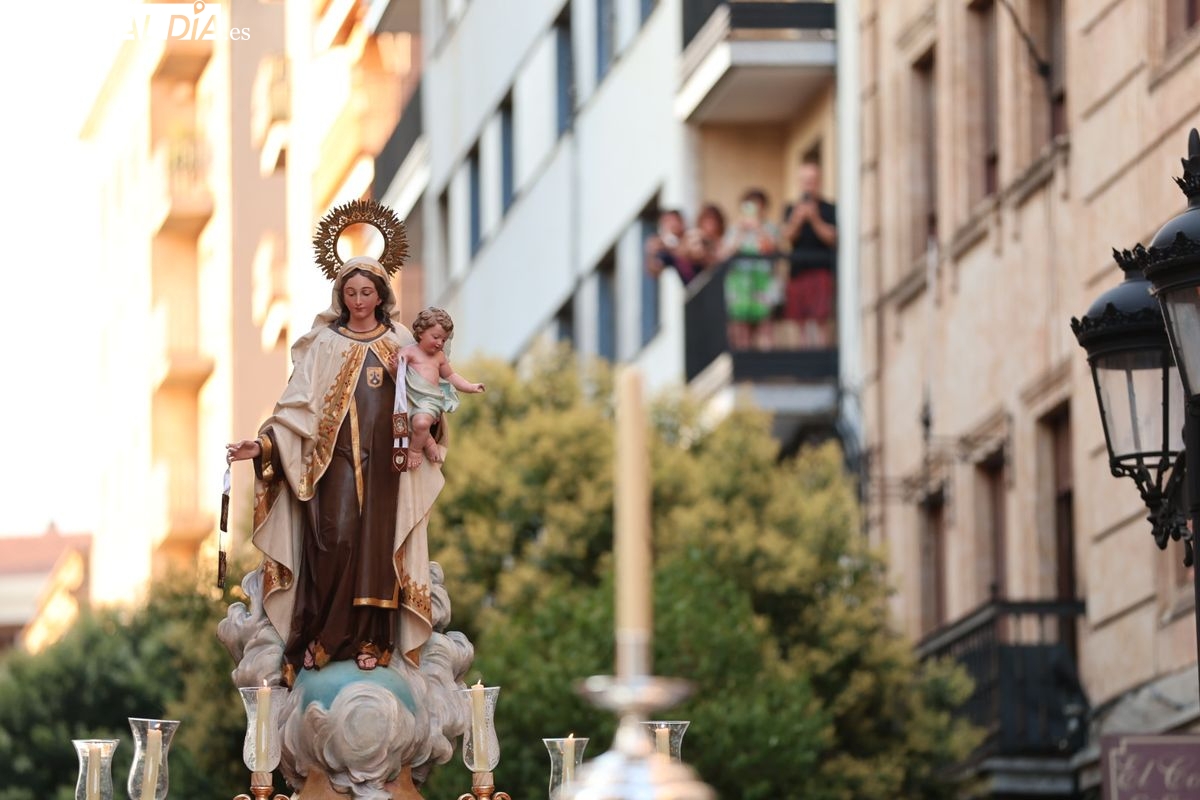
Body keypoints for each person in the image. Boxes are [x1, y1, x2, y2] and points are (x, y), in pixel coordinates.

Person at [226, 254, 441, 687]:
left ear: (381, 295)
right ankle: (326, 635)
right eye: (350, 292)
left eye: (367, 292)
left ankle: (372, 642)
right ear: (340, 297)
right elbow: (295, 409)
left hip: (387, 464)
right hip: (332, 460)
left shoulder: (400, 340)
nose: (359, 300)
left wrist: (427, 426)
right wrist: (263, 445)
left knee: (380, 548)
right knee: (336, 537)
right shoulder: (324, 343)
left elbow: (429, 396)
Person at [390, 307, 485, 471]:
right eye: (436, 337)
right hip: (409, 398)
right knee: (403, 421)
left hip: (429, 400)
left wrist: (470, 387)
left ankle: (414, 450)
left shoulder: (439, 357)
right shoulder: (409, 352)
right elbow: (398, 374)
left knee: (420, 422)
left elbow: (452, 377)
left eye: (444, 339)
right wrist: (395, 368)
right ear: (421, 333)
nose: (440, 343)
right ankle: (428, 441)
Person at [782, 158, 837, 347]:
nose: (809, 185)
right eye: (805, 181)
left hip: (821, 271)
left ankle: (821, 354)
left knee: (821, 319)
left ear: (819, 181)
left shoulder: (829, 209)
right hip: (798, 272)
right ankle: (804, 358)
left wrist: (814, 219)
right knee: (800, 322)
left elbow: (832, 237)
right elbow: (787, 237)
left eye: (812, 180)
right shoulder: (791, 208)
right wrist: (797, 220)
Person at [719, 188, 781, 350]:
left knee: (765, 327)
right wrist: (740, 233)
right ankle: (745, 370)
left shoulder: (769, 229)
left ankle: (767, 369)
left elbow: (772, 250)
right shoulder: (734, 230)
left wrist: (758, 228)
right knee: (740, 330)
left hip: (762, 284)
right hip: (740, 286)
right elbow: (724, 255)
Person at [645, 209, 701, 287]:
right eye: (665, 223)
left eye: (671, 221)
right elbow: (654, 270)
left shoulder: (693, 235)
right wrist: (652, 253)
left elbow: (696, 254)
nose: (670, 226)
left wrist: (670, 247)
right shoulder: (669, 250)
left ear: (681, 221)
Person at [682, 202, 727, 274]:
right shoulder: (695, 236)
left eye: (714, 220)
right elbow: (693, 253)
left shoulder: (722, 241)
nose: (711, 224)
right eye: (707, 220)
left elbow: (722, 258)